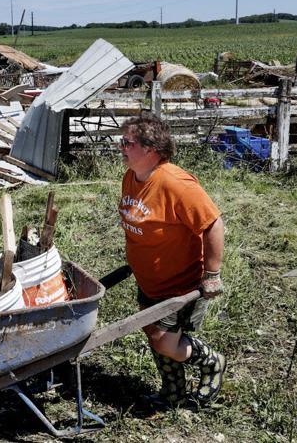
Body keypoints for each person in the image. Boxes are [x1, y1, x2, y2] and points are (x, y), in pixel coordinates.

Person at [117, 113, 227, 407]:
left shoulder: (176, 183)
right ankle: (173, 392)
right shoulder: (132, 176)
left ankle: (212, 362)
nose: (121, 147)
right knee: (154, 334)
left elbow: (213, 223)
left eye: (127, 142)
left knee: (166, 342)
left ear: (150, 149)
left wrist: (212, 274)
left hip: (179, 282)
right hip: (149, 279)